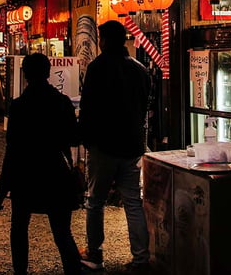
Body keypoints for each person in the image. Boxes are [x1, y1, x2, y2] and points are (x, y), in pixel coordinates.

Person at [0, 53, 82, 275]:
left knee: (19, 228)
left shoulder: (19, 105)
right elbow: (73, 138)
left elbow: (12, 147)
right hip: (55, 170)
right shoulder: (61, 102)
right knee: (62, 232)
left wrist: (3, 187)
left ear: (25, 74)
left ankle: (20, 271)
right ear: (48, 72)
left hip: (25, 173)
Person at [78, 20, 152, 274]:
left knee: (95, 200)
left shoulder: (97, 68)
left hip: (103, 145)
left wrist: (85, 139)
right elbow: (144, 107)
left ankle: (94, 253)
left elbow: (88, 109)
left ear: (105, 40)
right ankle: (141, 258)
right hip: (131, 145)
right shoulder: (140, 69)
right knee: (133, 202)